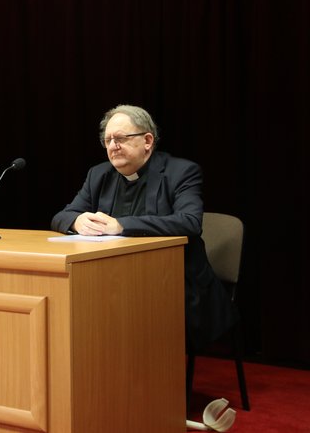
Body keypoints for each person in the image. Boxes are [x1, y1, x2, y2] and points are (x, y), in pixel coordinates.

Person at [51, 104, 237, 351]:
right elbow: (61, 216)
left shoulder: (181, 171)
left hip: (174, 284)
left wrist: (121, 225)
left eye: (120, 138)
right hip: (113, 283)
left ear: (147, 141)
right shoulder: (99, 175)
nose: (113, 146)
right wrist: (77, 221)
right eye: (107, 140)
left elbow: (190, 221)